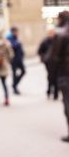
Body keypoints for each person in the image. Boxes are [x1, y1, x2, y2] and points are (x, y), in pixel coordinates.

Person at [47, 10, 69, 143]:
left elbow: (54, 58)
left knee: (67, 102)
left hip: (65, 73)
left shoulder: (61, 34)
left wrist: (52, 76)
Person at [37, 28, 58, 99]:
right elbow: (40, 51)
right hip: (48, 62)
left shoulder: (57, 40)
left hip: (56, 62)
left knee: (56, 78)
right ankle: (49, 91)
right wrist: (44, 58)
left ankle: (56, 94)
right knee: (50, 77)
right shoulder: (45, 41)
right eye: (50, 33)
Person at [7, 26, 26, 94]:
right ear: (13, 32)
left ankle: (14, 84)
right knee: (14, 74)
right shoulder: (10, 39)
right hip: (13, 59)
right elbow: (12, 47)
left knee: (23, 71)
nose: (18, 33)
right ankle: (15, 87)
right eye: (16, 31)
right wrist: (17, 43)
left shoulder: (16, 38)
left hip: (19, 59)